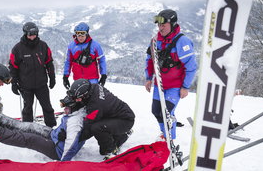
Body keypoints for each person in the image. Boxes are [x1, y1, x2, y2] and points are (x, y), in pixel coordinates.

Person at [144, 9, 197, 140]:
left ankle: (170, 139)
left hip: (175, 86)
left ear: (172, 24)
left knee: (167, 113)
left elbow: (191, 67)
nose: (160, 28)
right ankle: (165, 134)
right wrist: (148, 78)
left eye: (163, 25)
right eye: (159, 25)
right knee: (156, 111)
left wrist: (185, 86)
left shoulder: (182, 41)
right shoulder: (155, 40)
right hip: (159, 85)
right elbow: (149, 60)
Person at [0, 99, 86, 161]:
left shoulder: (75, 122)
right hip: (54, 136)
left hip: (58, 150)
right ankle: (0, 118)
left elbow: (71, 147)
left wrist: (64, 162)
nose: (64, 110)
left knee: (30, 139)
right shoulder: (77, 114)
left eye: (66, 108)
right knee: (30, 127)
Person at [68, 79, 135, 159]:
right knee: (99, 124)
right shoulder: (93, 86)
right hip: (118, 114)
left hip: (125, 120)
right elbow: (83, 101)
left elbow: (87, 127)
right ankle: (120, 133)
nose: (76, 100)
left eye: (77, 98)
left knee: (97, 128)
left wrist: (72, 138)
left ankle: (112, 150)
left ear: (85, 95)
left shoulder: (96, 105)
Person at [9, 22, 57, 128]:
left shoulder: (43, 46)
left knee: (47, 106)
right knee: (27, 108)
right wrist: (14, 83)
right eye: (30, 34)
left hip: (41, 84)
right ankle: (28, 128)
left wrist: (52, 77)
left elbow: (49, 62)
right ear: (25, 33)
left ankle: (51, 127)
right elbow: (13, 66)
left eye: (35, 33)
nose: (32, 36)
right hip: (25, 85)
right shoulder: (18, 48)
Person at [63, 22, 107, 89]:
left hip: (92, 79)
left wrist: (103, 75)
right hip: (78, 79)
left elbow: (102, 60)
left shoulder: (95, 45)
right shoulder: (71, 46)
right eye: (78, 36)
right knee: (79, 98)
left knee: (93, 98)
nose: (80, 38)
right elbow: (68, 62)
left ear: (87, 34)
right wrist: (65, 76)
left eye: (82, 36)